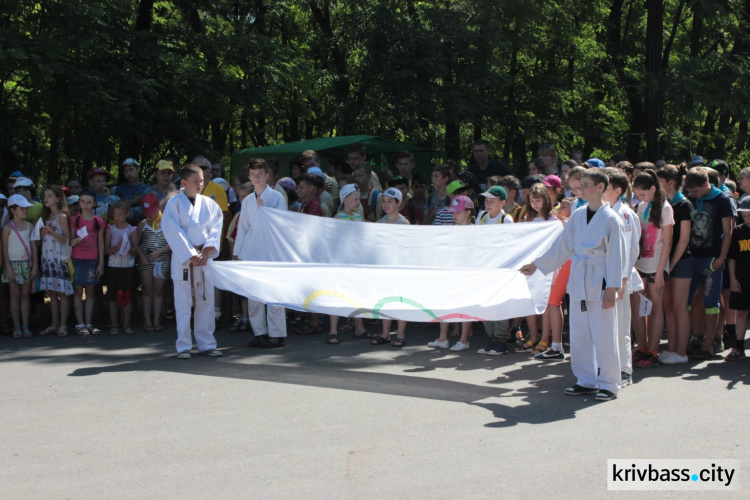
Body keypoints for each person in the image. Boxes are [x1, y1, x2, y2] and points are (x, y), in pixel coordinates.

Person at [520, 169, 625, 402]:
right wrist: (537, 264)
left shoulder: (611, 219)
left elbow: (617, 256)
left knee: (605, 334)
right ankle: (586, 380)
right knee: (580, 334)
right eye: (580, 186)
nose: (582, 189)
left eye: (586, 185)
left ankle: (609, 383)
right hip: (579, 280)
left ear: (600, 187)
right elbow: (562, 245)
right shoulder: (578, 216)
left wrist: (612, 288)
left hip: (600, 280)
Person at [163, 163, 224, 358]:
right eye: (195, 181)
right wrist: (190, 253)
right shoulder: (174, 204)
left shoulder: (209, 203)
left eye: (202, 180)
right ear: (184, 182)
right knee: (183, 305)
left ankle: (207, 344)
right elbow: (172, 230)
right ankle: (184, 346)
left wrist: (206, 251)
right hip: (184, 261)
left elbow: (216, 227)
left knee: (205, 303)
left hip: (204, 258)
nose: (200, 184)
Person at [233, 159, 289, 348]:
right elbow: (243, 228)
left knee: (274, 294)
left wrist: (263, 209)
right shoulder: (247, 201)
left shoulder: (278, 197)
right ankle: (259, 331)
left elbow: (281, 225)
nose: (256, 178)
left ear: (267, 175)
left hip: (272, 251)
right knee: (254, 294)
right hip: (253, 251)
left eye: (260, 174)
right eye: (253, 175)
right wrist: (238, 253)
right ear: (249, 177)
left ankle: (277, 334)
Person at [684, 167, 735, 360]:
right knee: (687, 300)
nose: (692, 195)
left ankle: (709, 344)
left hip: (712, 258)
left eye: (695, 191)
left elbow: (728, 232)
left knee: (711, 301)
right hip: (692, 256)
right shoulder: (690, 197)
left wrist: (721, 258)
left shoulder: (722, 200)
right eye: (689, 192)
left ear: (706, 185)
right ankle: (688, 338)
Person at [601, 168, 642, 384]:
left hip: (619, 279)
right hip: (603, 278)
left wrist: (622, 280)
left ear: (617, 190)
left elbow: (630, 250)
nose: (601, 191)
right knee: (605, 326)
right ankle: (607, 366)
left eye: (605, 188)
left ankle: (624, 369)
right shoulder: (603, 211)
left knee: (621, 325)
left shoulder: (626, 215)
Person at [631, 170, 674, 368]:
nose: (640, 197)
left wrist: (659, 271)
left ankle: (654, 350)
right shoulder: (639, 207)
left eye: (643, 193)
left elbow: (667, 242)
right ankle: (641, 347)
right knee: (639, 308)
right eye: (638, 193)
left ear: (653, 189)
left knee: (655, 309)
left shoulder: (665, 208)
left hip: (656, 265)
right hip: (639, 265)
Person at [427, 195, 478, 351]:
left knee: (465, 306)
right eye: (453, 212)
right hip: (451, 271)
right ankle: (443, 338)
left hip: (467, 273)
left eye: (458, 211)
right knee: (445, 303)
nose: (454, 214)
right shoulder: (452, 230)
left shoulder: (474, 231)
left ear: (468, 212)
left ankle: (464, 340)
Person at [657, 164, 694, 364]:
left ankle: (681, 352)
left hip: (681, 262)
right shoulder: (663, 204)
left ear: (671, 182)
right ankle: (671, 349)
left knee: (680, 307)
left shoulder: (684, 205)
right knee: (668, 307)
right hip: (666, 262)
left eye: (660, 181)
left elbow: (684, 240)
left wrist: (669, 266)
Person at [516, 184, 557, 355]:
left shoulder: (552, 219)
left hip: (547, 266)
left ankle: (545, 338)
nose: (535, 204)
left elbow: (555, 245)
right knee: (530, 300)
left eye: (538, 200)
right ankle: (533, 336)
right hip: (530, 265)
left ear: (545, 200)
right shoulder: (528, 218)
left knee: (546, 302)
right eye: (532, 201)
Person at [473, 186, 514, 355]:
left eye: (492, 201)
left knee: (499, 305)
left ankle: (501, 340)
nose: (487, 204)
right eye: (486, 201)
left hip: (501, 269)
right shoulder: (481, 216)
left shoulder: (506, 220)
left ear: (502, 203)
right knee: (486, 304)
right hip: (484, 268)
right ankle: (491, 339)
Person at [327, 184, 368, 344]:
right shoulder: (338, 218)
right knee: (336, 296)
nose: (358, 202)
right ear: (345, 199)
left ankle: (360, 328)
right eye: (355, 199)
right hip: (341, 263)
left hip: (355, 263)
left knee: (357, 296)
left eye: (359, 199)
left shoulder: (357, 217)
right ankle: (333, 331)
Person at [371, 187, 410, 348]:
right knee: (385, 301)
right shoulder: (379, 223)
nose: (386, 205)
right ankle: (385, 333)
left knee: (401, 301)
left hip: (400, 268)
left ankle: (400, 334)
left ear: (399, 203)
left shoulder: (405, 224)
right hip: (385, 268)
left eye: (390, 201)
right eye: (384, 201)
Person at [37, 185, 74, 337]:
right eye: (45, 195)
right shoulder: (45, 217)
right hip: (47, 258)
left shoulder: (63, 217)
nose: (46, 198)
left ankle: (63, 324)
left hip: (58, 259)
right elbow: (40, 240)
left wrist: (52, 232)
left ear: (58, 198)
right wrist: (42, 233)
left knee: (61, 293)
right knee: (52, 292)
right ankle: (54, 324)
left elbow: (66, 239)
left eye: (50, 195)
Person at [132, 193, 171, 332]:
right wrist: (141, 255)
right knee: (147, 290)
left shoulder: (167, 222)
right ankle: (148, 320)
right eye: (147, 212)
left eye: (152, 211)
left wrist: (159, 252)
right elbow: (135, 243)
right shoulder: (142, 224)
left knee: (158, 290)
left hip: (162, 261)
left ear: (158, 207)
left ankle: (156, 319)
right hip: (145, 261)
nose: (150, 215)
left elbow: (173, 243)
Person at [70, 188, 105, 336]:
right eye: (83, 201)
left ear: (94, 204)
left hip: (92, 260)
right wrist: (75, 241)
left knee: (90, 293)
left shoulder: (98, 221)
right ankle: (80, 323)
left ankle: (89, 323)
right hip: (77, 260)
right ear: (79, 203)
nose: (85, 204)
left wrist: (101, 263)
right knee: (78, 292)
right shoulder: (74, 220)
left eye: (89, 202)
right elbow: (70, 242)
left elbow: (101, 242)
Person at [2, 194, 38, 337]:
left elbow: (34, 247)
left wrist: (35, 266)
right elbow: (4, 249)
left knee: (25, 296)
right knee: (15, 296)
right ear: (12, 210)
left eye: (26, 208)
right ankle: (17, 326)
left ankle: (25, 325)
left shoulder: (30, 226)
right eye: (22, 208)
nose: (25, 211)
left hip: (26, 265)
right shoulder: (7, 228)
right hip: (12, 265)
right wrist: (8, 268)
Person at [104, 200, 137, 334]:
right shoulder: (110, 229)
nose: (117, 217)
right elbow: (106, 250)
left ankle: (127, 324)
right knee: (113, 296)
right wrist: (116, 248)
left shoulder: (132, 229)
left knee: (127, 295)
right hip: (113, 265)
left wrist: (128, 247)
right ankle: (114, 324)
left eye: (120, 214)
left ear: (127, 214)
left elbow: (136, 251)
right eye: (115, 214)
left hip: (128, 265)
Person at [226, 182, 253, 333]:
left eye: (245, 196)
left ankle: (256, 320)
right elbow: (232, 240)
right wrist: (234, 260)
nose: (241, 199)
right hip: (241, 260)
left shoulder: (260, 214)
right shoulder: (238, 216)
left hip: (254, 260)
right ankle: (244, 318)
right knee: (242, 293)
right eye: (239, 197)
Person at [725, 197, 750, 360]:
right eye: (745, 216)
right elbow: (732, 257)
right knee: (741, 311)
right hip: (742, 278)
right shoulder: (739, 231)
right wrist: (733, 279)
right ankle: (739, 345)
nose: (747, 219)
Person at [114, 158, 152, 223]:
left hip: (144, 224)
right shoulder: (120, 189)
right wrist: (133, 201)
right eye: (125, 171)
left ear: (138, 169)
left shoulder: (147, 189)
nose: (128, 173)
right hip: (125, 225)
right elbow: (116, 211)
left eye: (131, 170)